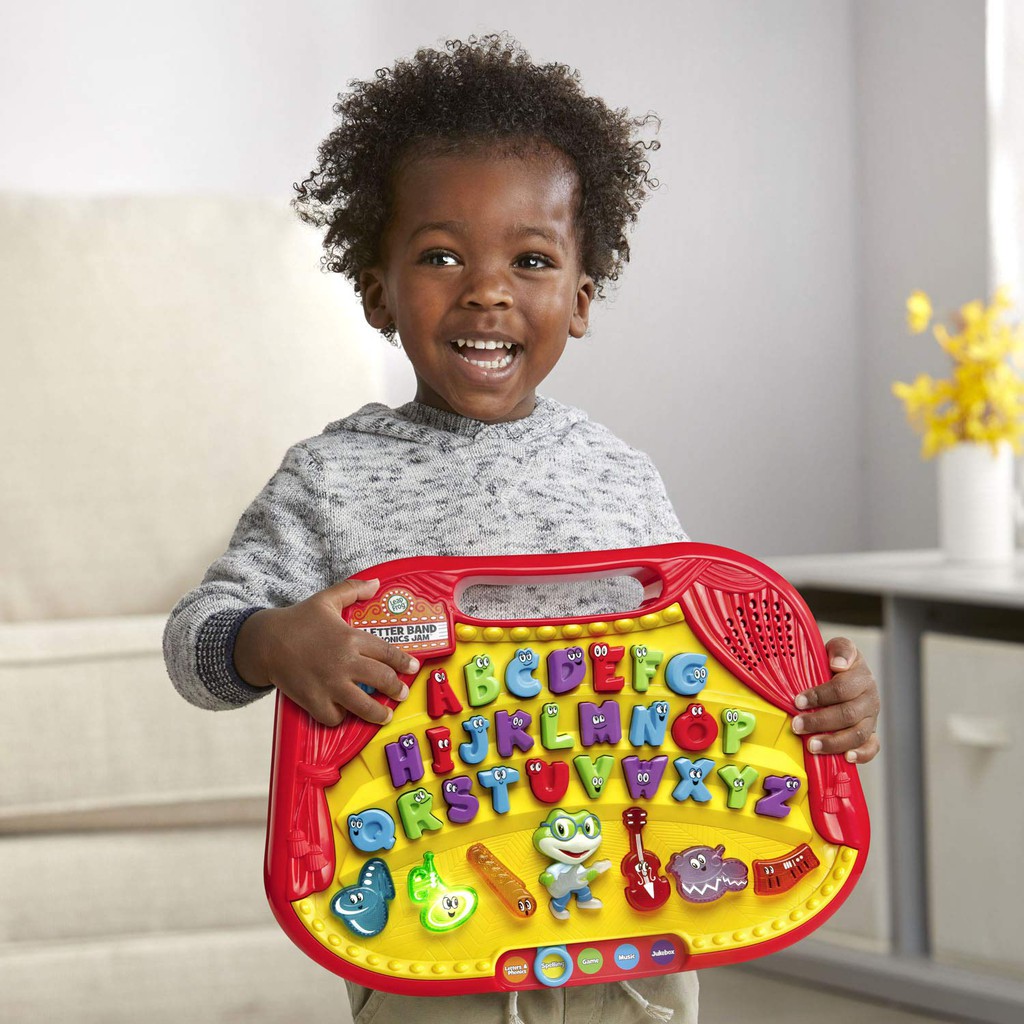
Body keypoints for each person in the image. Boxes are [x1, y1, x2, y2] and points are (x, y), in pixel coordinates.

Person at [164, 33, 881, 1024]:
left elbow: (704, 669)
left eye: (531, 260)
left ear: (580, 300)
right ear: (376, 290)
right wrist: (269, 640)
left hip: (635, 934)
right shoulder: (330, 480)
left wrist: (824, 708)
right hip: (427, 931)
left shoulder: (621, 475)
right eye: (441, 255)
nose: (487, 289)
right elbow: (192, 644)